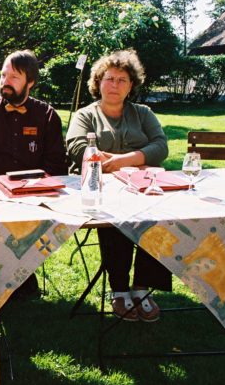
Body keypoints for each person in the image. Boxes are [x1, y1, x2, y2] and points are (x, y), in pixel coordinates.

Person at [66, 50, 171, 322]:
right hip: (99, 189)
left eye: (122, 80)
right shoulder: (84, 115)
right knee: (114, 219)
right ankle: (119, 289)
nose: (114, 85)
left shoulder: (143, 113)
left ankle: (142, 288)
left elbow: (161, 146)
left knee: (159, 216)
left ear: (131, 85)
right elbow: (77, 147)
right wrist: (123, 162)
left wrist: (122, 159)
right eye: (109, 78)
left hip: (142, 187)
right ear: (98, 82)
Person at [0, 50, 67, 299]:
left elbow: (56, 165)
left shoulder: (46, 116)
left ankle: (20, 278)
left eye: (14, 77)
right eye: (3, 75)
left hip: (34, 198)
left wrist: (31, 190)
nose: (5, 82)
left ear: (30, 82)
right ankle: (2, 283)